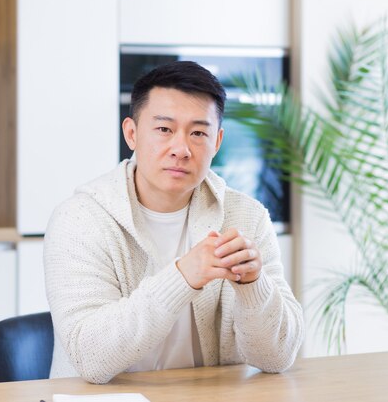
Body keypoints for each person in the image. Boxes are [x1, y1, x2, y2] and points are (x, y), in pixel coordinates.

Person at [44, 61, 303, 384]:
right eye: (164, 129)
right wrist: (183, 276)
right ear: (132, 133)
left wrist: (253, 286)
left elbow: (276, 358)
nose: (181, 149)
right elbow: (91, 359)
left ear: (218, 141)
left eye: (198, 133)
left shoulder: (246, 217)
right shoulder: (80, 219)